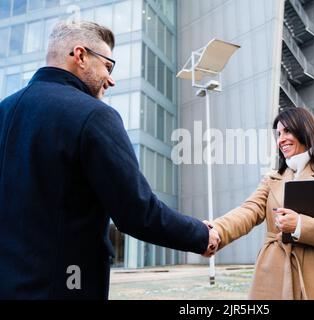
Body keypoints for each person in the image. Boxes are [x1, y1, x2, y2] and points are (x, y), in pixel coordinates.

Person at [0, 21, 219, 300]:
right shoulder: (93, 115)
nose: (111, 79)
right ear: (80, 56)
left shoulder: (4, 110)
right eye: (108, 66)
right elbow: (137, 212)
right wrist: (200, 235)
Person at [206, 107, 314, 300]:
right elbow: (248, 211)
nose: (281, 139)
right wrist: (216, 230)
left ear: (305, 130)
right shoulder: (271, 179)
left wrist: (300, 225)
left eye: (287, 131)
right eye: (278, 134)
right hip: (273, 274)